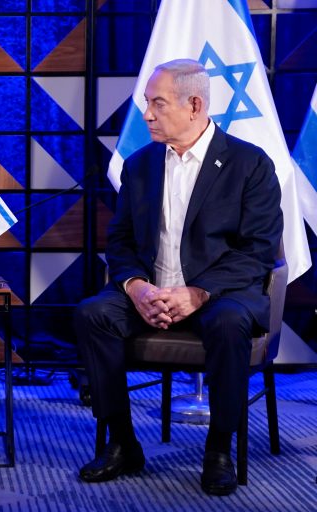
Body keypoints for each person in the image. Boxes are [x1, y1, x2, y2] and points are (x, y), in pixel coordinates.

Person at [74, 59, 283, 496]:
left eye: (157, 103)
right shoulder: (139, 166)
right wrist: (136, 287)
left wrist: (198, 292)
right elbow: (121, 243)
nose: (146, 114)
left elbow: (259, 251)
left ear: (194, 105)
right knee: (93, 313)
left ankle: (218, 449)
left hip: (220, 294)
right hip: (152, 292)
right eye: (147, 103)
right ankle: (123, 443)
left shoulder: (251, 164)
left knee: (229, 323)